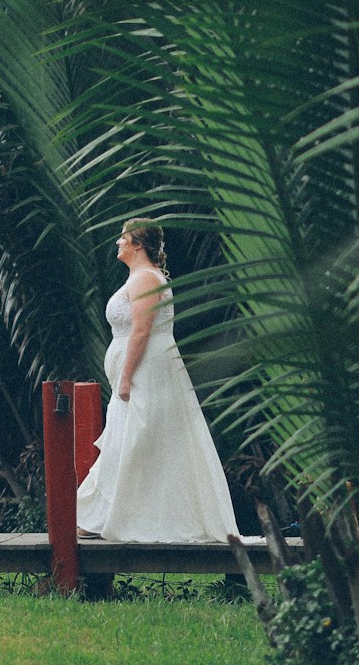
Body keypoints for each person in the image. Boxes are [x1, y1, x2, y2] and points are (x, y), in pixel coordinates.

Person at [74, 219, 239, 543]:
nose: (118, 242)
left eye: (124, 237)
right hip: (141, 369)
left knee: (136, 438)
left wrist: (125, 377)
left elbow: (142, 330)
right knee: (130, 437)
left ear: (138, 244)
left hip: (146, 371)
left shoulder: (146, 278)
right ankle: (105, 515)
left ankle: (111, 517)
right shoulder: (139, 277)